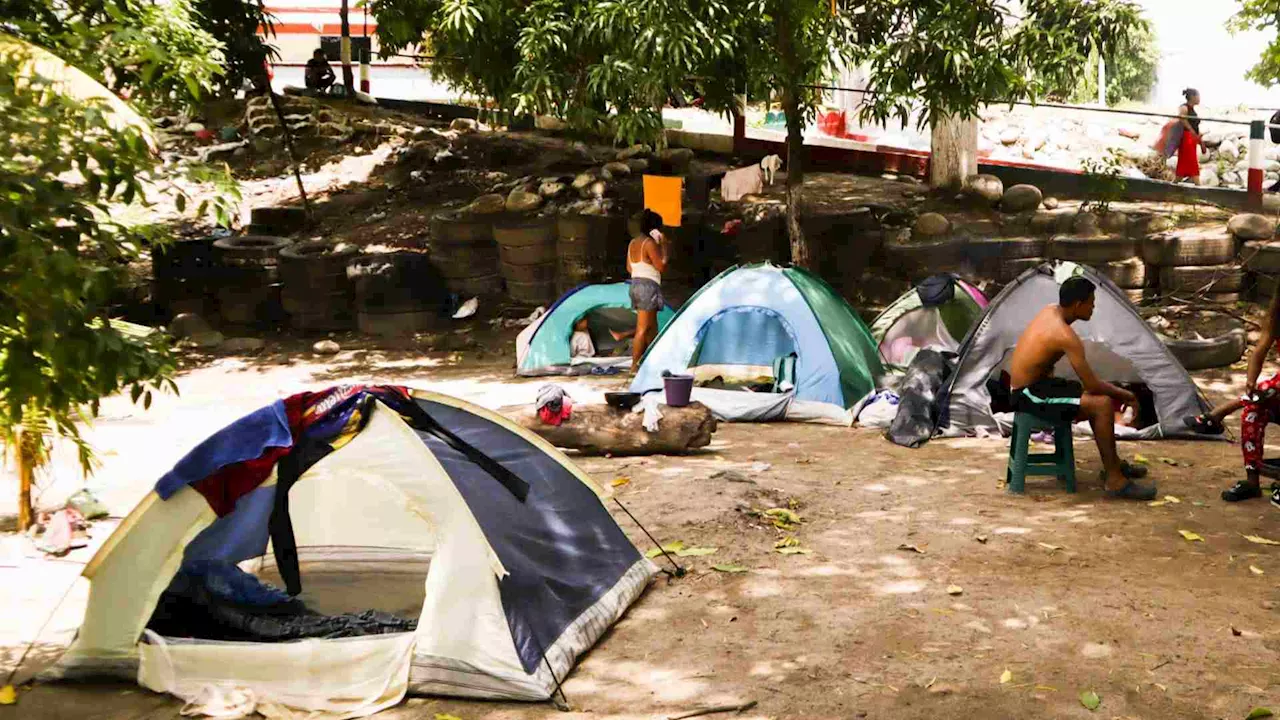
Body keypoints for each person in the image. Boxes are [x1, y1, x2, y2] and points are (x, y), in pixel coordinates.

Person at [1008, 276, 1156, 500]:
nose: (1094, 307)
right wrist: (1128, 395)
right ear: (1078, 305)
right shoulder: (1065, 335)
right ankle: (1115, 481)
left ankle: (1113, 465)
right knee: (1102, 404)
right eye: (1092, 302)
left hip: (1037, 385)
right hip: (1027, 394)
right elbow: (1093, 385)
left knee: (1090, 396)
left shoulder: (1051, 310)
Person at [1221, 289, 1280, 503]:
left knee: (1271, 387)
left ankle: (1218, 413)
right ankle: (1252, 481)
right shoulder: (1276, 317)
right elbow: (1259, 350)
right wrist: (1250, 381)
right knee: (1252, 413)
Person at [624, 209, 668, 372]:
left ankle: (653, 360)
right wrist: (664, 246)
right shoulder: (649, 244)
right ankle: (634, 365)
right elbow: (661, 266)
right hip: (647, 287)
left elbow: (629, 267)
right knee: (642, 329)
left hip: (635, 284)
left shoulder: (632, 243)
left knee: (651, 327)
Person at [1174, 88, 1205, 183]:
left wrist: (1201, 142)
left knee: (1185, 164)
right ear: (1192, 97)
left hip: (1191, 139)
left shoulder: (1192, 109)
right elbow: (1182, 119)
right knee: (1191, 163)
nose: (1199, 98)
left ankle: (1174, 184)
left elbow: (1195, 127)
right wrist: (1192, 132)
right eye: (1198, 96)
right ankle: (1198, 186)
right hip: (1187, 139)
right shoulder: (1184, 107)